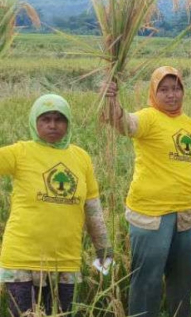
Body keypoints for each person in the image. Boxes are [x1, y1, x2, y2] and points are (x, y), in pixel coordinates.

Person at [103, 67, 191, 317]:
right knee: (147, 279)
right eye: (164, 89)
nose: (171, 95)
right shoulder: (149, 117)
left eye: (176, 88)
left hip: (185, 215)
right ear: (154, 92)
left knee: (183, 278)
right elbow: (126, 124)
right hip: (151, 215)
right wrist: (112, 100)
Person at [0, 94, 112, 316]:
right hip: (22, 260)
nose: (53, 125)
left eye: (59, 119)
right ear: (35, 122)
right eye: (46, 119)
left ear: (68, 122)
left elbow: (92, 208)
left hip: (65, 263)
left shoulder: (81, 158)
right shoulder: (20, 152)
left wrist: (103, 247)